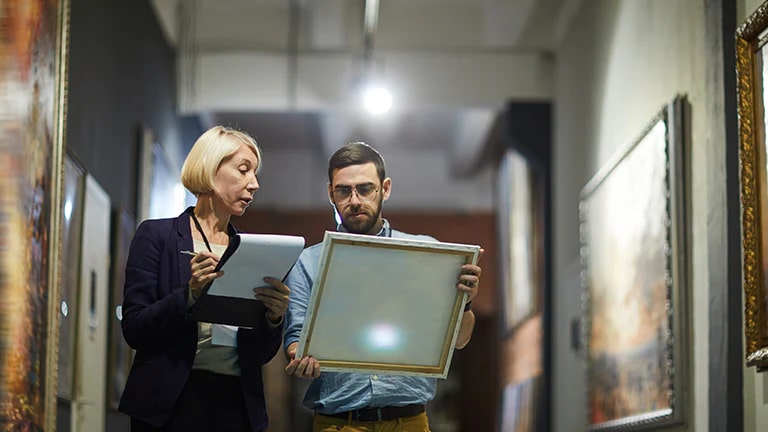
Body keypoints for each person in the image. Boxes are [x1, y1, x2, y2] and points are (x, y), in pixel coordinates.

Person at [281, 142, 483, 431]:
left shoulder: (427, 254)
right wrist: (300, 357)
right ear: (330, 193)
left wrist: (466, 302)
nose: (354, 200)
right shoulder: (307, 262)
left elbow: (459, 341)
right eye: (343, 190)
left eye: (365, 189)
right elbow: (295, 339)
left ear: (385, 189)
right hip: (340, 424)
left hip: (410, 421)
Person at [118, 126, 289, 432]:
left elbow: (259, 354)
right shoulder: (157, 236)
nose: (255, 184)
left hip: (237, 407)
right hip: (169, 404)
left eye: (255, 173)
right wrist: (190, 294)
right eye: (243, 170)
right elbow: (134, 329)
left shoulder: (252, 252)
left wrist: (274, 318)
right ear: (211, 169)